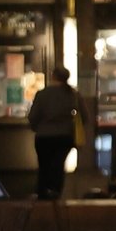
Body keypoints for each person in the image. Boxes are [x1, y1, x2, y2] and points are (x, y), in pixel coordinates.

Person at [26, 68, 84, 200]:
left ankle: (42, 193)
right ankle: (55, 191)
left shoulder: (43, 94)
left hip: (44, 136)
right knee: (58, 165)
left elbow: (33, 116)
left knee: (44, 165)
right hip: (65, 136)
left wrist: (37, 127)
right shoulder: (73, 94)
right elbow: (84, 116)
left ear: (53, 76)